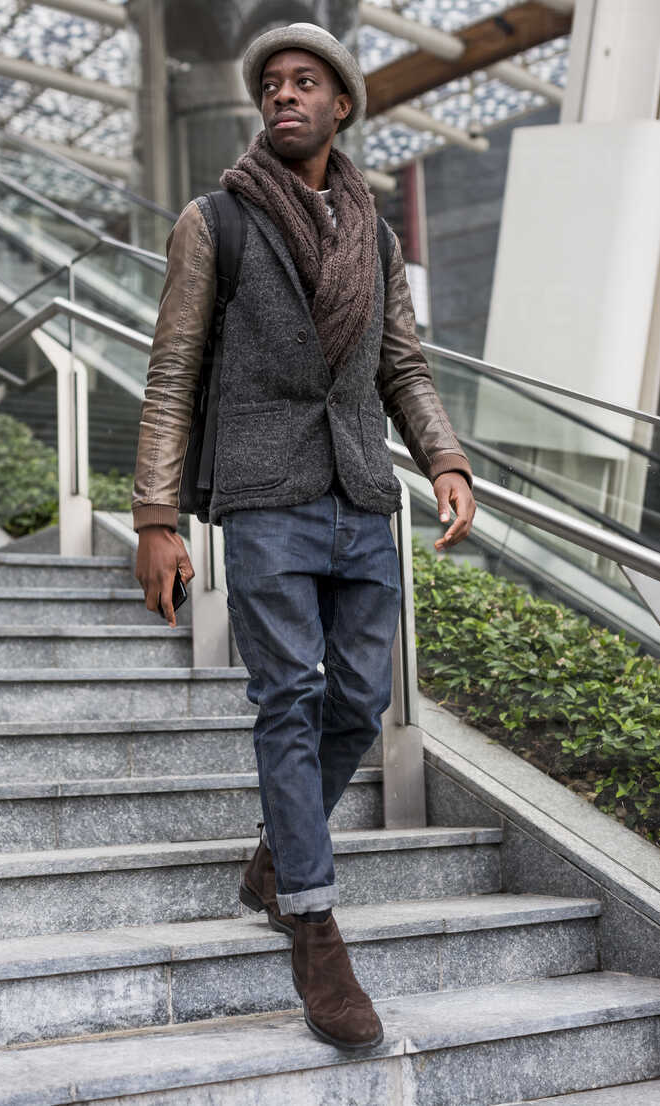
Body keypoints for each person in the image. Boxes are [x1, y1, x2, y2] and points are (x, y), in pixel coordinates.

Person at [132, 21, 476, 1051]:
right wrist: (155, 516)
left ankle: (275, 857)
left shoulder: (370, 234)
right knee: (286, 695)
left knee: (359, 699)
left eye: (304, 83)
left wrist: (445, 458)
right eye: (271, 84)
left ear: (340, 107)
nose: (284, 96)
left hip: (361, 490)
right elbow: (170, 371)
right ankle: (313, 924)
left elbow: (400, 363)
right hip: (266, 493)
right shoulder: (214, 222)